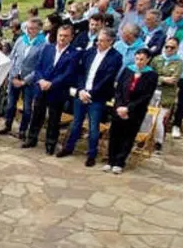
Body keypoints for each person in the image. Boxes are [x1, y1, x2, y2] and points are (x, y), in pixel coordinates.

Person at [58, 28, 122, 166]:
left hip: (97, 97)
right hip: (82, 93)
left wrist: (91, 93)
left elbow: (107, 78)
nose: (98, 43)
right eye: (98, 40)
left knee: (93, 127)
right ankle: (68, 148)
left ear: (110, 41)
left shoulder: (115, 57)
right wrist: (81, 90)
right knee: (76, 123)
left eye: (102, 41)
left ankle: (91, 154)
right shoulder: (90, 52)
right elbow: (81, 72)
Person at [22, 25, 82, 154]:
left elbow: (68, 73)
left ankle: (50, 144)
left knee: (54, 119)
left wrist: (52, 83)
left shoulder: (74, 54)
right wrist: (41, 80)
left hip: (57, 90)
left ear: (71, 37)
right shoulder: (47, 48)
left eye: (66, 36)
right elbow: (38, 67)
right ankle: (31, 139)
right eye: (60, 35)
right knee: (37, 115)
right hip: (41, 87)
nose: (62, 38)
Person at [104, 46, 160, 173]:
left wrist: (128, 108)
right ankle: (110, 160)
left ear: (148, 60)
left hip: (135, 110)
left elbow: (146, 96)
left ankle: (120, 162)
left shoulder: (152, 75)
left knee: (128, 136)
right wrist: (120, 106)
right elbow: (119, 90)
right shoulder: (128, 70)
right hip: (120, 107)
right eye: (137, 59)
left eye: (142, 59)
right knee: (115, 134)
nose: (139, 62)